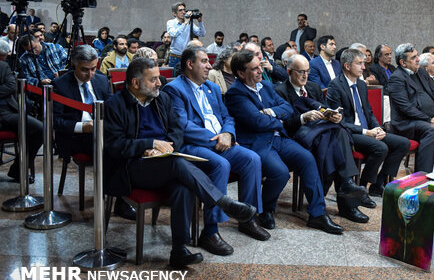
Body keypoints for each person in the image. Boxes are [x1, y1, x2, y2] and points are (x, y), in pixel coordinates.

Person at [104, 58, 256, 267]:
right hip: (132, 166)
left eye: (159, 78)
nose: (160, 83)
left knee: (183, 188)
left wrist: (168, 147)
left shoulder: (161, 99)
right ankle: (222, 202)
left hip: (164, 161)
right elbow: (113, 145)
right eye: (154, 79)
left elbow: (177, 131)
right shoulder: (115, 104)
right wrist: (148, 145)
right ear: (135, 83)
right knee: (177, 166)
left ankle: (179, 250)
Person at [225, 50, 343, 234]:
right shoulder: (235, 93)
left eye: (259, 67)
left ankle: (317, 215)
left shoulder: (265, 85)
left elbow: (288, 108)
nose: (259, 71)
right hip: (258, 142)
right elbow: (256, 121)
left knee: (307, 159)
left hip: (279, 137)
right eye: (254, 68)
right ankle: (266, 209)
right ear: (241, 73)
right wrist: (276, 118)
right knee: (280, 173)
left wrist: (270, 112)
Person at [165, 46, 269, 245]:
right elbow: (183, 126)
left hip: (221, 141)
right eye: (203, 61)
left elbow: (227, 116)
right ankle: (210, 231)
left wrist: (228, 133)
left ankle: (248, 218)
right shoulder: (174, 89)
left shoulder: (211, 87)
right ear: (189, 64)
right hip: (192, 145)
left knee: (252, 159)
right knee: (220, 164)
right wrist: (216, 138)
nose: (209, 65)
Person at [276, 54, 371, 223]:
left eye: (307, 71)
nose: (305, 76)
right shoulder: (280, 91)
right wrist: (304, 117)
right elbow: (283, 125)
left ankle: (342, 189)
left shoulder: (313, 88)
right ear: (289, 71)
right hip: (297, 136)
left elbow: (325, 110)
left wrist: (334, 116)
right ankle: (347, 200)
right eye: (300, 72)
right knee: (336, 139)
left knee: (338, 133)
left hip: (321, 133)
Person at [51, 46, 136, 219]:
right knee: (114, 149)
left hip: (103, 131)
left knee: (129, 143)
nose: (89, 74)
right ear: (74, 65)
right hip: (76, 135)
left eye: (93, 69)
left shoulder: (101, 80)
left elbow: (111, 107)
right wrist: (83, 127)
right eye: (84, 70)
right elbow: (56, 121)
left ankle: (121, 196)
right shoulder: (60, 85)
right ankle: (118, 199)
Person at [327, 49, 410, 196]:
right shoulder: (336, 86)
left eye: (363, 63)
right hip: (350, 133)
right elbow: (340, 121)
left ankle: (378, 183)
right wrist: (366, 132)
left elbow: (369, 112)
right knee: (381, 148)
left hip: (368, 130)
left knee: (403, 143)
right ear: (347, 66)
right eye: (359, 64)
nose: (364, 67)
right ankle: (362, 187)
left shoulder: (361, 85)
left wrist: (378, 128)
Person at [0, 57, 42, 183]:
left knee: (40, 128)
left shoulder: (2, 66)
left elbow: (11, 86)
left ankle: (18, 169)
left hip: (7, 111)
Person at [166, 2, 205, 74]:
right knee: (175, 79)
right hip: (175, 57)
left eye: (184, 10)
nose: (183, 12)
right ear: (174, 14)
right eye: (180, 10)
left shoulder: (189, 22)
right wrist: (185, 23)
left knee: (187, 78)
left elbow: (201, 33)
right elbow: (174, 34)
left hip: (186, 57)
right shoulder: (170, 22)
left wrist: (200, 22)